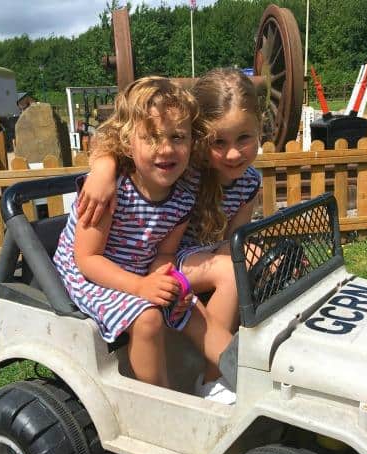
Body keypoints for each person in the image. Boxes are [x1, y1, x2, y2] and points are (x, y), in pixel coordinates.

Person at [53, 76, 235, 403]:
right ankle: (164, 407)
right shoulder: (112, 190)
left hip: (137, 270)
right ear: (126, 143)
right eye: (151, 137)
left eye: (177, 137)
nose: (166, 149)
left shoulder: (182, 194)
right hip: (89, 274)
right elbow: (87, 259)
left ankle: (243, 379)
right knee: (148, 317)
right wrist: (140, 288)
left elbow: (164, 252)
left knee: (190, 307)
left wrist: (166, 277)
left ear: (192, 142)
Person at [77, 68, 262, 332]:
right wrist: (102, 169)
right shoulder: (183, 170)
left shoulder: (249, 182)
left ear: (259, 128)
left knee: (255, 258)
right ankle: (213, 357)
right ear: (199, 137)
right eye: (218, 142)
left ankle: (243, 338)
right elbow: (119, 147)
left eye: (243, 138)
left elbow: (234, 239)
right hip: (170, 260)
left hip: (200, 257)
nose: (232, 154)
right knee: (231, 270)